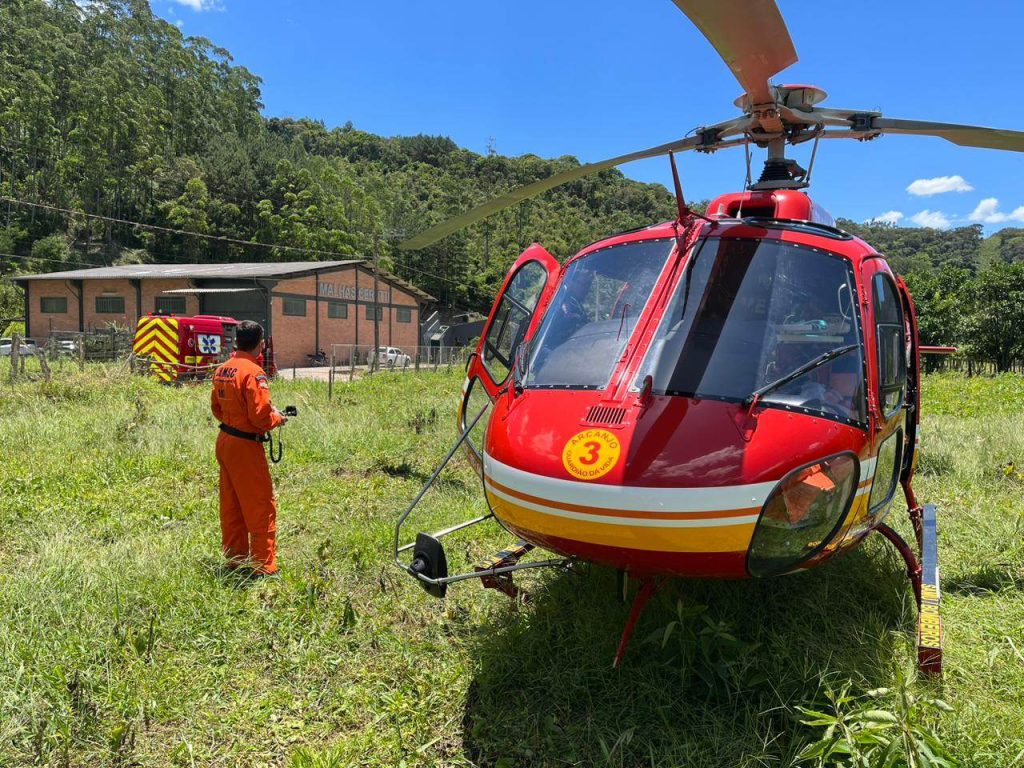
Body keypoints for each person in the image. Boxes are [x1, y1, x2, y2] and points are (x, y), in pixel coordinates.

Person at [210, 321, 287, 576]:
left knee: (231, 504)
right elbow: (261, 418)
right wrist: (278, 418)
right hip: (245, 445)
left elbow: (216, 409)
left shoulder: (223, 369)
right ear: (260, 343)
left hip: (225, 441)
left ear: (236, 341)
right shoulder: (254, 373)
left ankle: (235, 558)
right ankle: (264, 565)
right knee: (260, 504)